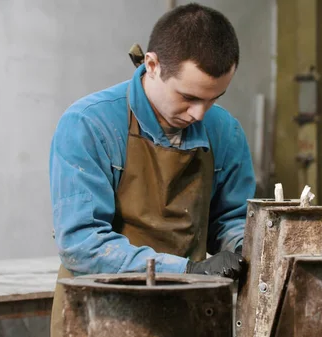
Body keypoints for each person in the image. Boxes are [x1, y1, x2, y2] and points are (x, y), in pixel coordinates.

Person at [48, 3, 255, 335]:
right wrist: (188, 270)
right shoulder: (90, 124)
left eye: (213, 99)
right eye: (188, 97)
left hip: (188, 315)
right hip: (99, 317)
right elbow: (82, 244)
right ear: (153, 65)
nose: (200, 114)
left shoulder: (224, 132)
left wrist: (244, 249)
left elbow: (230, 219)